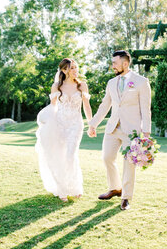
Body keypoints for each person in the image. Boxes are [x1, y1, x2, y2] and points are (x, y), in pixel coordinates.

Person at [87, 50, 151, 210]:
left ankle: (126, 197)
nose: (113, 66)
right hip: (113, 128)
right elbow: (104, 105)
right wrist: (93, 124)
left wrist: (146, 132)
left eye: (115, 63)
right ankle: (115, 188)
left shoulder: (142, 82)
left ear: (125, 63)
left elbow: (146, 108)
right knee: (107, 157)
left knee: (129, 163)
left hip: (132, 130)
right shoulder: (111, 83)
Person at [35, 58, 92, 202]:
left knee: (71, 154)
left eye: (76, 67)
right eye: (71, 68)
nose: (75, 70)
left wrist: (91, 123)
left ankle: (75, 187)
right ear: (64, 70)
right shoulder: (56, 87)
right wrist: (47, 124)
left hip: (76, 124)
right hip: (60, 124)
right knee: (60, 155)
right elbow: (52, 108)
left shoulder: (82, 86)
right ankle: (62, 189)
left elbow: (86, 106)